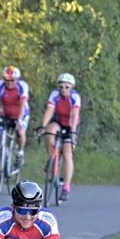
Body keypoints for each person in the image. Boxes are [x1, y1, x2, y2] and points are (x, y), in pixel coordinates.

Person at [39, 73, 81, 202]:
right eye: (61, 86)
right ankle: (52, 157)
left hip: (70, 125)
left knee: (68, 154)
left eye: (67, 87)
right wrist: (42, 126)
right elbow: (49, 111)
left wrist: (73, 132)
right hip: (58, 122)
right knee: (49, 131)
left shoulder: (75, 97)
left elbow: (74, 115)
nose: (64, 89)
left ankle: (66, 187)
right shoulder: (55, 95)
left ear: (71, 87)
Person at [0, 66, 31, 168]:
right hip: (6, 115)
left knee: (20, 132)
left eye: (12, 80)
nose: (9, 83)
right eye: (6, 80)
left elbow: (22, 103)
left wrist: (20, 119)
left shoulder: (22, 86)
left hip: (21, 114)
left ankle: (20, 152)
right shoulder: (0, 85)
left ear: (17, 79)